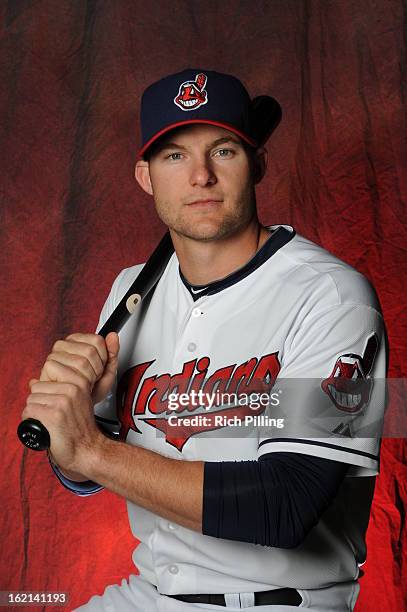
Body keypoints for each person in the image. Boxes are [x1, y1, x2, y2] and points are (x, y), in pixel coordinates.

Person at [22, 69, 387, 611]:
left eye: (222, 151)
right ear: (145, 177)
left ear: (257, 164)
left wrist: (93, 452)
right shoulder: (131, 291)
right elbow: (80, 471)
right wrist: (71, 425)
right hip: (150, 592)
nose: (200, 177)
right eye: (174, 156)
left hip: (281, 601)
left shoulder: (334, 298)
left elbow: (285, 506)